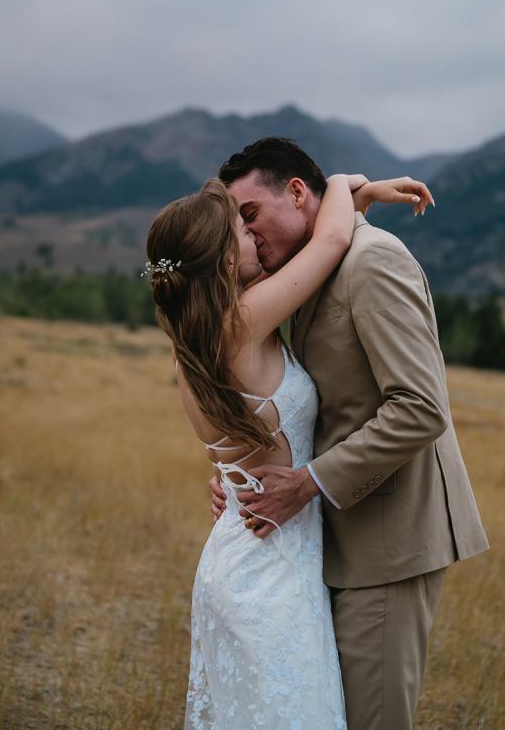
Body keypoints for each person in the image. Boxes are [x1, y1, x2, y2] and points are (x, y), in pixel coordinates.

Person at [211, 137, 490, 730]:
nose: (247, 234)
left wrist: (307, 482)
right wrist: (242, 482)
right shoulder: (307, 270)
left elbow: (420, 407)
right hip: (329, 542)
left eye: (251, 215)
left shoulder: (374, 262)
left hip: (389, 542)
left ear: (295, 193)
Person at [144, 169, 432, 730]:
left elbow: (240, 442)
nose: (256, 240)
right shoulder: (244, 322)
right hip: (272, 568)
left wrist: (360, 203)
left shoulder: (194, 339)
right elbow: (327, 242)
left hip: (241, 548)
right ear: (225, 259)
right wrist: (346, 183)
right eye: (242, 231)